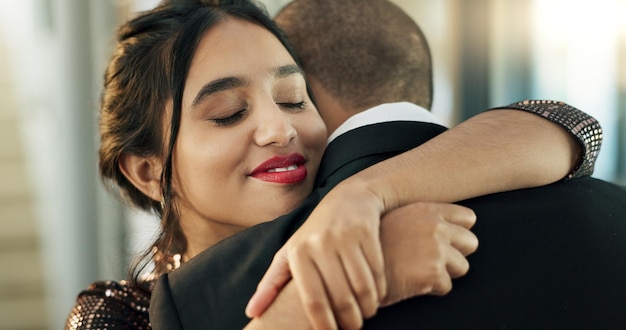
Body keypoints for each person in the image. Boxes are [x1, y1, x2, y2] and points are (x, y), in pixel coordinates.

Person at [66, 0, 601, 329]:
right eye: (228, 114)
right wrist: (354, 283)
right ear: (145, 170)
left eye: (295, 98)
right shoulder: (118, 315)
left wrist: (363, 195)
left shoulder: (367, 210)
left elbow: (574, 127)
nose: (281, 129)